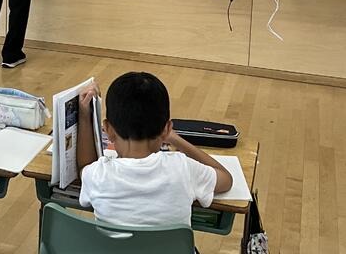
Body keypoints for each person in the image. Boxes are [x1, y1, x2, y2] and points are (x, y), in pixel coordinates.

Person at [76, 72, 233, 228]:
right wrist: (175, 139)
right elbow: (226, 179)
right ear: (167, 129)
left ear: (107, 130)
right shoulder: (182, 168)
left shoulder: (98, 175)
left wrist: (85, 116)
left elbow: (84, 166)